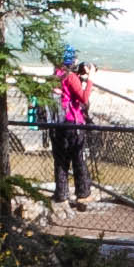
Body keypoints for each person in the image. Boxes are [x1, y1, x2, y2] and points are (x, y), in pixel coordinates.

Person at [49, 54, 96, 208]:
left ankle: (61, 195)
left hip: (57, 125)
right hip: (72, 124)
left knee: (61, 161)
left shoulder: (55, 76)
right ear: (71, 62)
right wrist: (90, 79)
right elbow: (83, 98)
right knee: (78, 159)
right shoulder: (70, 77)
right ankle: (83, 194)